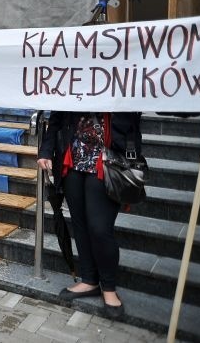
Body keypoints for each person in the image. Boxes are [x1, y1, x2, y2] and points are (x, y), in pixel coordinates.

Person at [37, 111, 142, 319]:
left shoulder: (123, 80)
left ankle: (109, 288)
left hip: (109, 161)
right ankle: (89, 280)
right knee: (80, 224)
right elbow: (57, 117)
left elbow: (133, 116)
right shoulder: (71, 79)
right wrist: (46, 150)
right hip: (72, 158)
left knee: (100, 228)